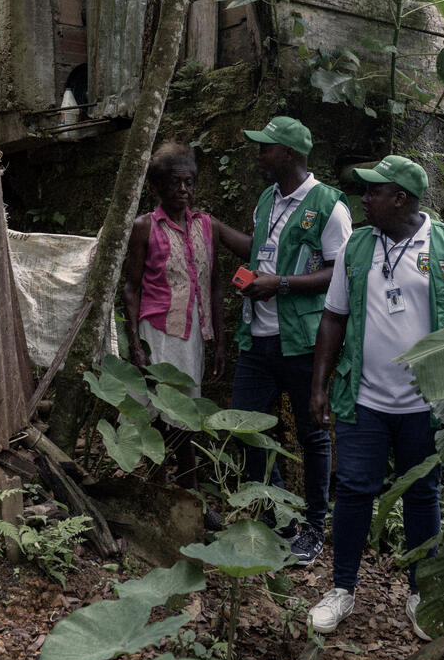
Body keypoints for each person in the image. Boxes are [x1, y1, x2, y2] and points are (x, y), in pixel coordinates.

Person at [307, 154, 444, 638]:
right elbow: (334, 317)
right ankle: (342, 588)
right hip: (363, 399)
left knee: (422, 493)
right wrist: (319, 385)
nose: (363, 198)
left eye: (373, 191)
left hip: (428, 404)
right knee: (352, 490)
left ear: (400, 198)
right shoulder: (357, 246)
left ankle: (422, 594)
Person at [232, 116, 352, 565]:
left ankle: (315, 528)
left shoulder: (328, 206)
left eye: (266, 148)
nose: (259, 154)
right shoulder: (267, 198)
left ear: (289, 154)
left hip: (302, 340)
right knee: (247, 427)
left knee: (312, 434)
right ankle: (280, 517)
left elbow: (340, 272)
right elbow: (261, 250)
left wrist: (279, 283)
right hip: (256, 337)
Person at [124, 143, 246, 522]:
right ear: (159, 186)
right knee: (161, 415)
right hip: (158, 331)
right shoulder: (146, 227)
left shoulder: (207, 226)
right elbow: (131, 287)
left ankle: (188, 496)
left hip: (193, 335)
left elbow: (217, 283)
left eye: (189, 182)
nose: (183, 190)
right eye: (175, 183)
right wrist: (135, 344)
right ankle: (164, 494)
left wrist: (221, 341)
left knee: (186, 415)